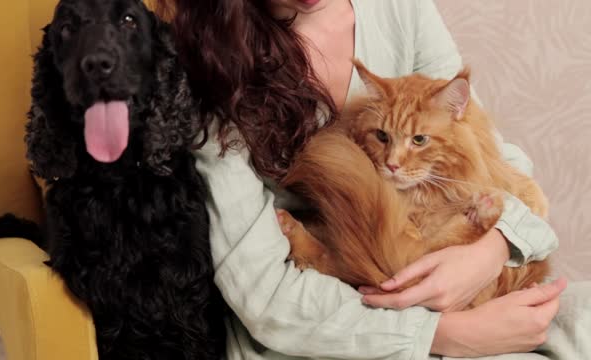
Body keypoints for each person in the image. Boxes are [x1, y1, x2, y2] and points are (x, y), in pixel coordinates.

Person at [159, 0, 591, 358]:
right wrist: (443, 333)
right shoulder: (211, 60)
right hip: (328, 326)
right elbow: (265, 299)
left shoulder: (399, 8)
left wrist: (495, 248)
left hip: (463, 276)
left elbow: (495, 160)